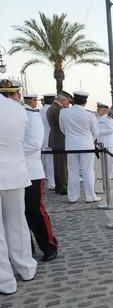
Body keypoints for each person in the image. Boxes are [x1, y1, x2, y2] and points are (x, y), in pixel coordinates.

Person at [0, 79, 37, 295]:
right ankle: (26, 267)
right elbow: (20, 140)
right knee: (17, 222)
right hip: (15, 171)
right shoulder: (19, 110)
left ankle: (4, 280)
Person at [23, 93, 58, 263]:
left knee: (35, 212)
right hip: (9, 172)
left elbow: (33, 144)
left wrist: (7, 150)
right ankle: (25, 249)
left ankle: (49, 246)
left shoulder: (31, 115)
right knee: (16, 216)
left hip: (30, 172)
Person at [59, 91, 100, 203]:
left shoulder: (63, 112)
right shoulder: (89, 115)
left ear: (73, 100)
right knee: (88, 170)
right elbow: (96, 132)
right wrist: (89, 141)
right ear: (85, 102)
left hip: (71, 145)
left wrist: (71, 137)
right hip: (86, 145)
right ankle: (90, 196)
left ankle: (73, 196)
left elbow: (62, 129)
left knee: (72, 170)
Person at [47, 90, 72, 195]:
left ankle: (59, 186)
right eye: (68, 102)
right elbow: (62, 125)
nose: (68, 104)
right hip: (60, 140)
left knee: (58, 165)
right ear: (63, 100)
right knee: (61, 166)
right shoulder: (57, 109)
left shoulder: (53, 107)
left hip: (56, 140)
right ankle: (63, 186)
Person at [39, 94, 55, 190]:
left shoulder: (39, 111)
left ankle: (44, 180)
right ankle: (52, 183)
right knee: (50, 162)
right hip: (51, 139)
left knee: (43, 161)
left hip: (42, 139)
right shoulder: (52, 111)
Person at [96, 102, 113, 179]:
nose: (97, 110)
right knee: (102, 160)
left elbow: (112, 130)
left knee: (109, 160)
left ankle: (111, 175)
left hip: (108, 142)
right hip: (100, 142)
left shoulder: (108, 119)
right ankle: (104, 174)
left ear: (104, 110)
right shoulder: (97, 118)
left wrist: (99, 132)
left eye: (99, 109)